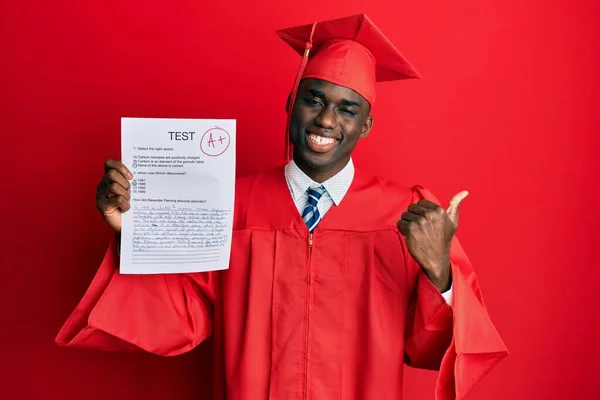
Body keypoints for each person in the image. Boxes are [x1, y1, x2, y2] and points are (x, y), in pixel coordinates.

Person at [56, 13, 507, 400]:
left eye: (347, 109)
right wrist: (129, 232)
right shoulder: (230, 206)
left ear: (366, 125)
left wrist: (439, 273)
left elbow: (430, 347)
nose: (327, 120)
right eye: (313, 100)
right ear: (292, 104)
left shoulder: (404, 214)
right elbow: (179, 318)